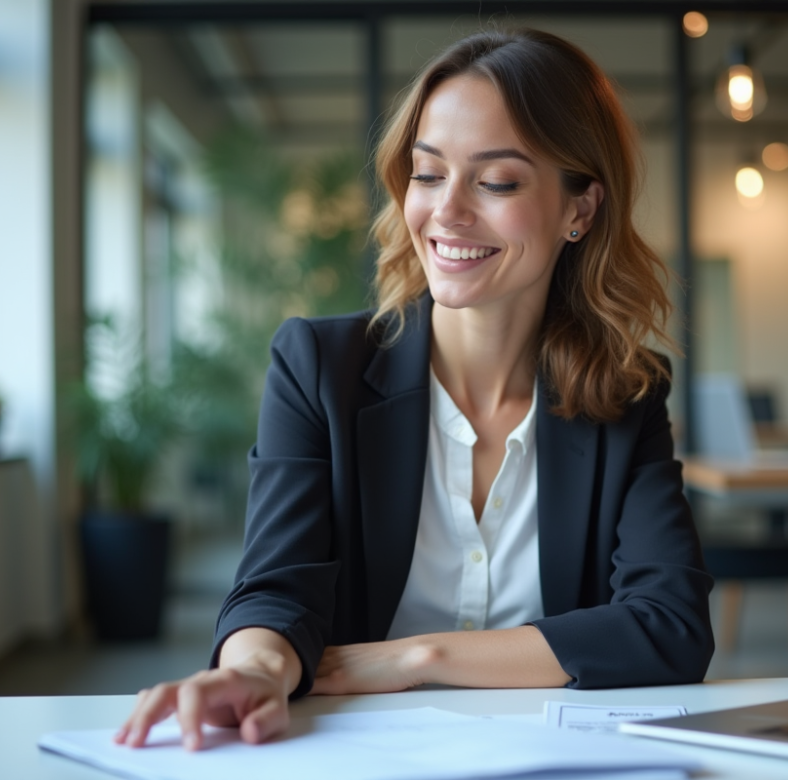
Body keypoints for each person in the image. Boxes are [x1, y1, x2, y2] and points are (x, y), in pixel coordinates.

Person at [116, 27, 714, 752]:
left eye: (496, 181)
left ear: (579, 211)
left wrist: (414, 657)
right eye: (428, 174)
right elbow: (277, 589)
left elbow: (670, 627)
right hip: (359, 755)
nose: (448, 211)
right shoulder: (317, 368)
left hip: (553, 759)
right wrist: (259, 670)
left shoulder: (627, 392)